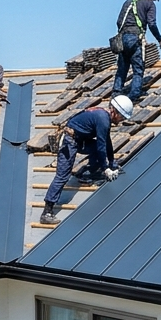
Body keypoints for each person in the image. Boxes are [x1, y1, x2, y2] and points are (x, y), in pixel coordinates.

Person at [41, 96, 133, 225]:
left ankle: (91, 173)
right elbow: (101, 145)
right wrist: (106, 168)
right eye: (122, 117)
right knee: (62, 176)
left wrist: (112, 163)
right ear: (114, 111)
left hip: (80, 139)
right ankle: (47, 212)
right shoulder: (103, 119)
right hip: (69, 141)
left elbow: (107, 142)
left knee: (96, 148)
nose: (121, 120)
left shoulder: (104, 116)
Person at [113, 0, 161, 103]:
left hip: (122, 38)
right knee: (138, 68)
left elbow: (119, 21)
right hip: (134, 38)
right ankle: (134, 94)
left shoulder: (128, 1)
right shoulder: (149, 4)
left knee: (122, 68)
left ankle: (116, 93)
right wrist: (160, 39)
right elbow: (152, 23)